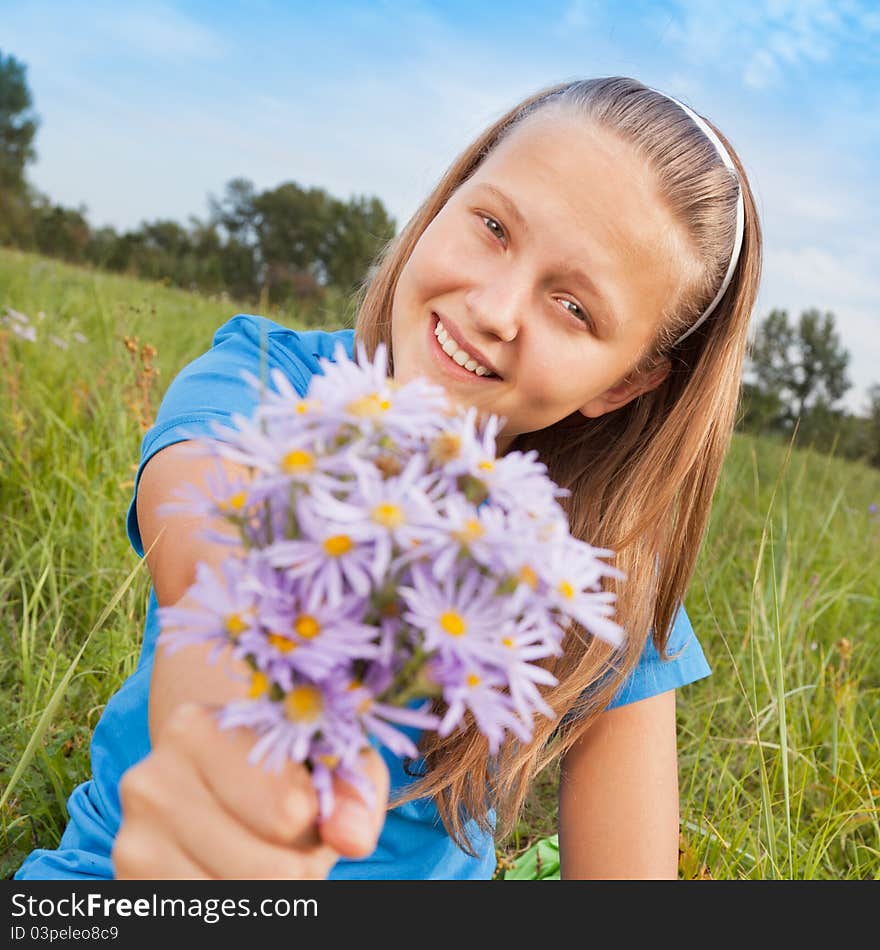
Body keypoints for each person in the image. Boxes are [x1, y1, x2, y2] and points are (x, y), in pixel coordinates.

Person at [16, 76, 761, 881]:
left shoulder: (597, 574)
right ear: (446, 199)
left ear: (625, 383)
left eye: (574, 307)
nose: (495, 308)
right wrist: (229, 791)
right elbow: (218, 572)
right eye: (494, 226)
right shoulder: (262, 383)